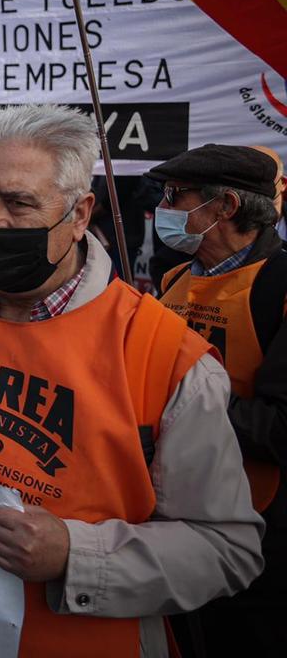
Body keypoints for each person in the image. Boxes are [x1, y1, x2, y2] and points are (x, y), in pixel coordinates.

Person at [0, 105, 264, 658]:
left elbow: (228, 548)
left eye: (20, 201)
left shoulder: (166, 355)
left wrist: (78, 556)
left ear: (79, 214)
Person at [144, 143, 287, 655]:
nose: (162, 209)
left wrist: (182, 401)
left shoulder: (279, 286)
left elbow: (280, 429)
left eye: (175, 196)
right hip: (171, 519)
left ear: (224, 206)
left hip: (259, 535)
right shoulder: (173, 281)